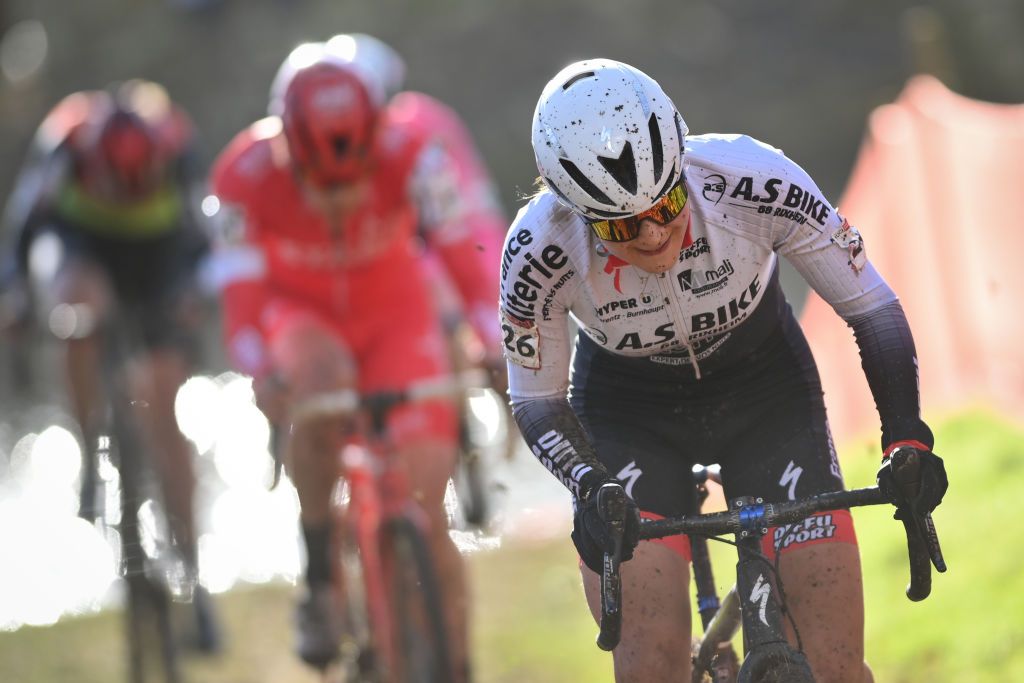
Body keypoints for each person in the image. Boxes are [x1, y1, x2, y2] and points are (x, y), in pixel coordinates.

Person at [500, 59, 948, 682]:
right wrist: (586, 484)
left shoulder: (750, 177)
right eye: (623, 225)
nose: (655, 234)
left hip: (768, 394)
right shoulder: (538, 250)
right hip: (631, 415)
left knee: (837, 668)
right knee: (650, 665)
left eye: (669, 200)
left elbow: (870, 307)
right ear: (577, 213)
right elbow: (536, 397)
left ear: (684, 166)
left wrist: (906, 436)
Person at [205, 40, 504, 676]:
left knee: (427, 506)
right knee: (317, 383)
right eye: (318, 184)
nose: (338, 199)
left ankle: (453, 662)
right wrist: (258, 365)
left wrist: (492, 336)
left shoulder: (413, 151)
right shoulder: (243, 173)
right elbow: (240, 289)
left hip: (395, 313)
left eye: (354, 180)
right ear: (287, 146)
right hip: (301, 316)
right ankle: (319, 575)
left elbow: (461, 248)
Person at [0, 80, 218, 649]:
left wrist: (198, 292)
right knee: (78, 312)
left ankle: (194, 576)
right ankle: (91, 445)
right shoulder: (68, 136)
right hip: (83, 247)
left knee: (164, 405)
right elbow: (27, 225)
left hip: (158, 255)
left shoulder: (175, 141)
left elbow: (203, 231)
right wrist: (16, 296)